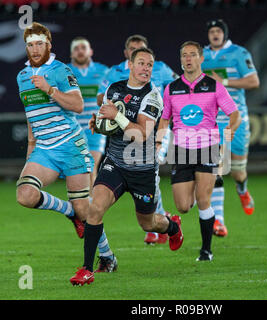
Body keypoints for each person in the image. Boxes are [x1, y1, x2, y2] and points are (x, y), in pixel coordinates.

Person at [69, 47, 183, 286]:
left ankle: (172, 227)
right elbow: (108, 123)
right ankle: (87, 269)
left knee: (148, 223)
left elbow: (141, 134)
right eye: (141, 63)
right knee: (95, 209)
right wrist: (97, 124)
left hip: (142, 169)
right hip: (115, 164)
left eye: (150, 65)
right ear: (129, 65)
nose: (146, 68)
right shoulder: (114, 89)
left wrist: (116, 117)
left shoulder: (152, 96)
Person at [158, 41, 240, 261]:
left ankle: (206, 250)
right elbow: (164, 120)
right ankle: (200, 184)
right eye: (184, 55)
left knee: (204, 199)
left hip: (208, 147)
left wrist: (227, 135)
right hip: (181, 150)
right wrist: (159, 144)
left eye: (193, 55)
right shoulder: (172, 88)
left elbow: (235, 114)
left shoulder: (214, 86)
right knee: (183, 207)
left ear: (201, 58)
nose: (188, 59)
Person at [98, 34, 178, 245]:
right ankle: (161, 220)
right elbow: (101, 97)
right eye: (136, 53)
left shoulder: (160, 69)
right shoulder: (115, 73)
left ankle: (157, 221)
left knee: (150, 165)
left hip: (155, 127)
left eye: (147, 62)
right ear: (128, 57)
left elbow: (177, 87)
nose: (145, 67)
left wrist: (167, 114)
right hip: (125, 134)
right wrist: (109, 114)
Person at [16, 22, 92, 243]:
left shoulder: (61, 70)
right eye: (31, 45)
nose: (36, 49)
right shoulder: (22, 76)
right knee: (25, 195)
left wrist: (50, 89)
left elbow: (78, 105)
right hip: (45, 148)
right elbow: (30, 113)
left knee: (84, 210)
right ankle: (70, 213)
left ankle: (107, 256)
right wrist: (31, 148)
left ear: (48, 44)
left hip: (70, 145)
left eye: (40, 43)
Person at [202, 19, 260, 237]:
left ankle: (242, 190)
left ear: (224, 33)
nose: (215, 34)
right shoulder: (201, 55)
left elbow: (254, 81)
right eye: (212, 31)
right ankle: (219, 222)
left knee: (237, 171)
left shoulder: (238, 53)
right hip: (211, 121)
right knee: (216, 167)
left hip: (236, 119)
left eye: (218, 31)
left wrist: (223, 83)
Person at [67, 37, 118, 272]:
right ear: (71, 53)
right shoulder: (64, 72)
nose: (79, 50)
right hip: (69, 133)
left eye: (83, 47)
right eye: (75, 48)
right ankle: (82, 213)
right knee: (78, 187)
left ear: (91, 51)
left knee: (90, 171)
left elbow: (111, 97)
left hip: (94, 131)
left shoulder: (103, 72)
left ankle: (87, 214)